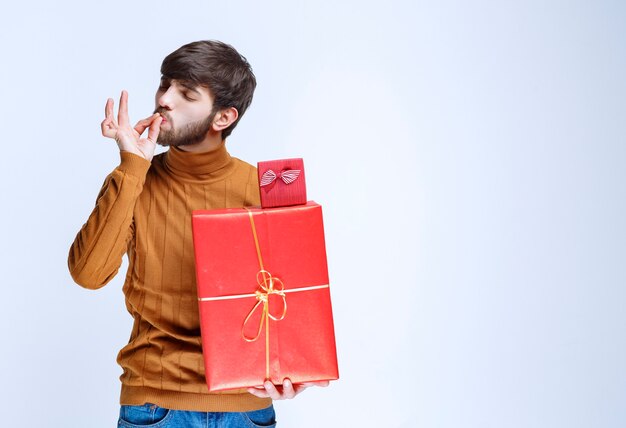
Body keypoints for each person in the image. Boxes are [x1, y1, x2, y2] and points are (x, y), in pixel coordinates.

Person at [68, 40, 327, 428]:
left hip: (246, 408)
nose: (164, 99)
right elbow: (88, 275)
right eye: (164, 84)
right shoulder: (134, 180)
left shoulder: (262, 189)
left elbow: (293, 300)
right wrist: (133, 166)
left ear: (222, 118)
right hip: (154, 406)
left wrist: (294, 370)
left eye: (186, 93)